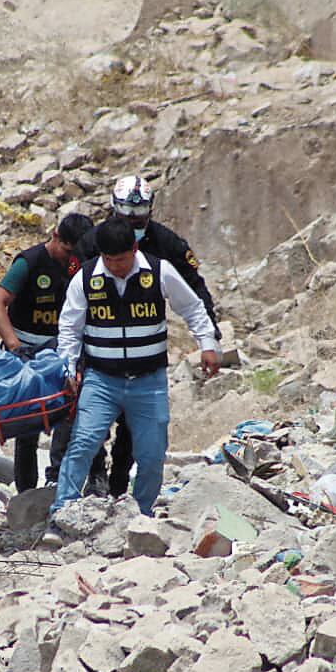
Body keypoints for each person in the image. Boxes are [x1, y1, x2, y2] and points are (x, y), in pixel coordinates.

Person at [48, 217, 219, 525]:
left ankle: (141, 517)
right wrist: (68, 369)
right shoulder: (86, 278)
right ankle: (62, 512)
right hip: (101, 380)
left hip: (148, 382)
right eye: (108, 259)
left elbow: (192, 308)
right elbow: (70, 330)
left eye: (122, 259)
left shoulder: (159, 271)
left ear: (135, 249)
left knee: (152, 456)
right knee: (83, 444)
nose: (115, 266)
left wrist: (208, 344)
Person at [74, 174, 222, 497]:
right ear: (113, 212)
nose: (132, 224)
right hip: (97, 347)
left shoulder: (167, 244)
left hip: (144, 351)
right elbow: (70, 298)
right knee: (89, 422)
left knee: (134, 425)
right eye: (126, 217)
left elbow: (195, 290)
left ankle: (119, 482)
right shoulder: (91, 243)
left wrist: (210, 338)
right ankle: (95, 473)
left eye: (139, 219)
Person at [0, 213, 92, 491]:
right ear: (55, 236)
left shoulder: (82, 263)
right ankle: (26, 491)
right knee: (29, 424)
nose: (70, 259)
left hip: (65, 347)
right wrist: (14, 346)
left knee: (72, 414)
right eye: (67, 251)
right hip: (28, 351)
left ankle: (60, 478)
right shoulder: (29, 262)